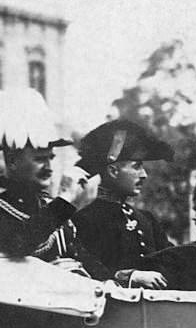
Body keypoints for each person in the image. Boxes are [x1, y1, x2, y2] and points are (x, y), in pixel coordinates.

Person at [0, 84, 108, 276]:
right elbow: (19, 244)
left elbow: (82, 257)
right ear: (12, 161)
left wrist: (122, 278)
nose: (49, 167)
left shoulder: (50, 207)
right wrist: (66, 200)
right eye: (39, 159)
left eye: (50, 158)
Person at [73, 119, 175, 288]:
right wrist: (129, 277)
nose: (144, 175)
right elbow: (85, 270)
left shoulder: (146, 219)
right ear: (113, 171)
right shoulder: (84, 218)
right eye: (136, 166)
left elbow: (170, 263)